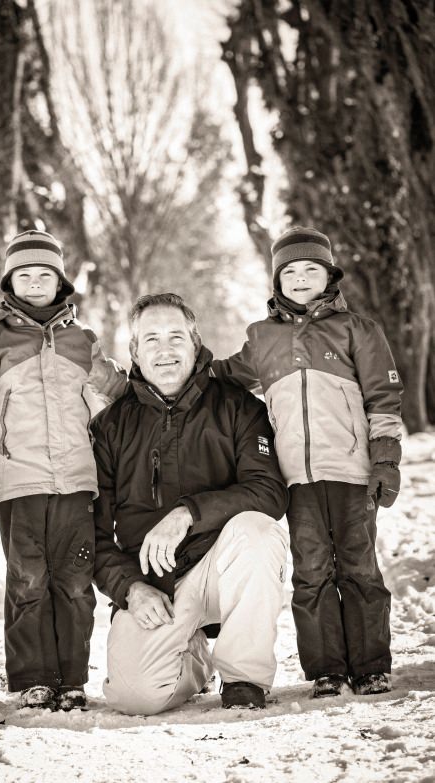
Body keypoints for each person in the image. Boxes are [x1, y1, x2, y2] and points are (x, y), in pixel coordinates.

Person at [212, 226, 403, 698]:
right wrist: (181, 362)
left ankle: (371, 666)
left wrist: (385, 460)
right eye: (290, 271)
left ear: (329, 276)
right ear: (277, 280)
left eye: (310, 270)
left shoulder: (357, 329)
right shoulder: (262, 338)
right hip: (295, 478)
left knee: (359, 567)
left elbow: (383, 398)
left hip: (353, 472)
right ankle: (327, 670)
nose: (300, 278)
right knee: (311, 572)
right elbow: (225, 377)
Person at [92, 292, 289, 716]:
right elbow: (92, 533)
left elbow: (269, 492)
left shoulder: (237, 406)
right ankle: (196, 660)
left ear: (195, 343)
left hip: (224, 567)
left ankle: (243, 678)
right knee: (134, 698)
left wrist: (188, 513)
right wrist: (130, 589)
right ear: (135, 351)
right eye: (152, 339)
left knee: (259, 531)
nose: (165, 350)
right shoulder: (110, 427)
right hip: (156, 583)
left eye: (176, 337)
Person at [0, 229, 126, 711]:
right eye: (24, 274)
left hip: (76, 482)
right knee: (27, 580)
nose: (34, 282)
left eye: (44, 274)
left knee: (75, 582)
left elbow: (116, 392)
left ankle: (71, 678)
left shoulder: (81, 340)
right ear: (10, 281)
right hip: (18, 482)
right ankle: (34, 677)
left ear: (60, 282)